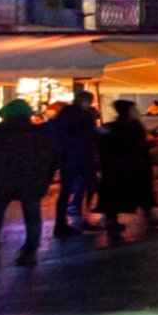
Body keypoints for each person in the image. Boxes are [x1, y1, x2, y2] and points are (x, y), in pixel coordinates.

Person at [0, 99, 57, 266]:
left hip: (0, 183)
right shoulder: (39, 134)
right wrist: (46, 179)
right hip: (31, 182)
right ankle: (30, 253)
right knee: (32, 218)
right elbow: (51, 159)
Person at [97, 100, 158, 236]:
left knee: (134, 193)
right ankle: (113, 220)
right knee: (135, 192)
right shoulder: (127, 127)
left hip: (124, 167)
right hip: (128, 167)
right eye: (134, 110)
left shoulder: (117, 127)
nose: (137, 112)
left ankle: (147, 216)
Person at [46, 90, 101, 236]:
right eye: (89, 101)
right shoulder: (82, 115)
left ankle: (62, 223)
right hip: (81, 156)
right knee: (91, 186)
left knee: (68, 190)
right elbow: (88, 134)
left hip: (68, 157)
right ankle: (85, 219)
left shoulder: (65, 114)